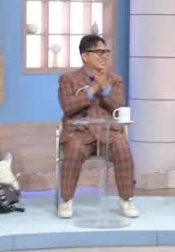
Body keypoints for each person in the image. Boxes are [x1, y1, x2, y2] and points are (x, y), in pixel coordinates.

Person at [57, 34, 137, 219]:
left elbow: (118, 106)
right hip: (79, 133)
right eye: (99, 52)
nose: (104, 56)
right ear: (85, 56)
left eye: (106, 52)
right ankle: (66, 200)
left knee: (123, 149)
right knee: (74, 150)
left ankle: (126, 200)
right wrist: (93, 90)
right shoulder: (68, 79)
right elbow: (68, 107)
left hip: (108, 133)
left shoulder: (114, 79)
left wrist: (105, 89)